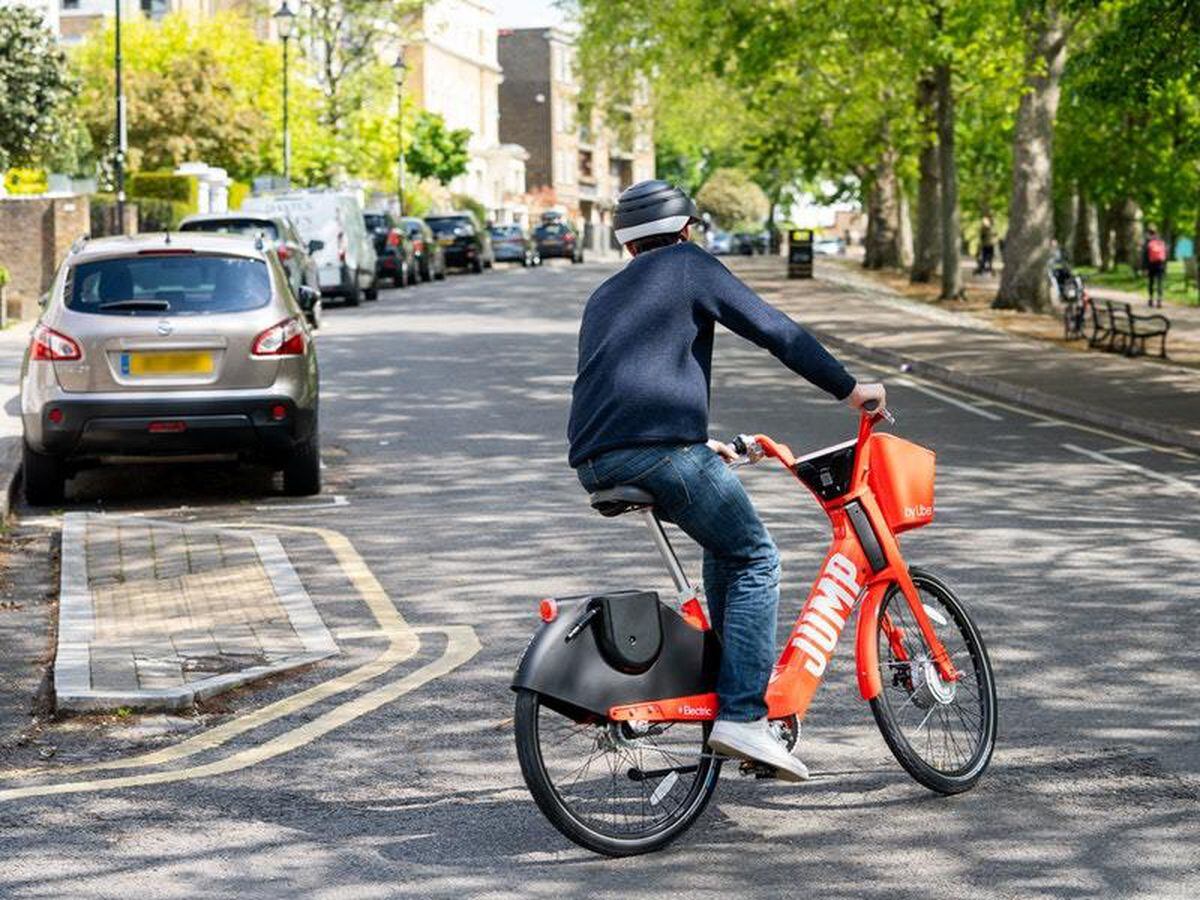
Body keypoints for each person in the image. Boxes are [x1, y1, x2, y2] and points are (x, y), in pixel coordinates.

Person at [567, 180, 886, 783]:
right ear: (685, 229)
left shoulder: (605, 293)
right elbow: (775, 330)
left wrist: (693, 439)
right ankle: (743, 716)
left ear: (628, 244)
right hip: (659, 451)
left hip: (599, 458)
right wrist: (851, 389)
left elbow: (624, 381)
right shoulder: (689, 265)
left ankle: (725, 688)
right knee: (756, 557)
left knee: (725, 546)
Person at [1142, 225, 1167, 308]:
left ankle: (1151, 299)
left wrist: (1144, 268)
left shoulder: (1148, 242)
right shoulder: (1160, 241)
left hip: (1151, 265)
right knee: (1159, 282)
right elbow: (1165, 254)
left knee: (1151, 282)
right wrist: (1165, 266)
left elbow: (1145, 256)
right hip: (1160, 265)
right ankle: (1159, 300)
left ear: (1148, 232)